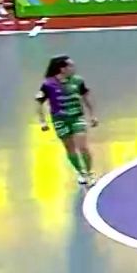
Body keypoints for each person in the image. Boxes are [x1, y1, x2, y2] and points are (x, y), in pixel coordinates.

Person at [37, 57, 99, 185]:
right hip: (60, 120)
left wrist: (93, 115)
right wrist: (43, 121)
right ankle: (81, 173)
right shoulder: (48, 84)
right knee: (69, 148)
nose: (73, 68)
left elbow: (86, 98)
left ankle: (89, 172)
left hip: (77, 117)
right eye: (70, 66)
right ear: (62, 69)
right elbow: (39, 103)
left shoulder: (78, 81)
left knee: (82, 146)